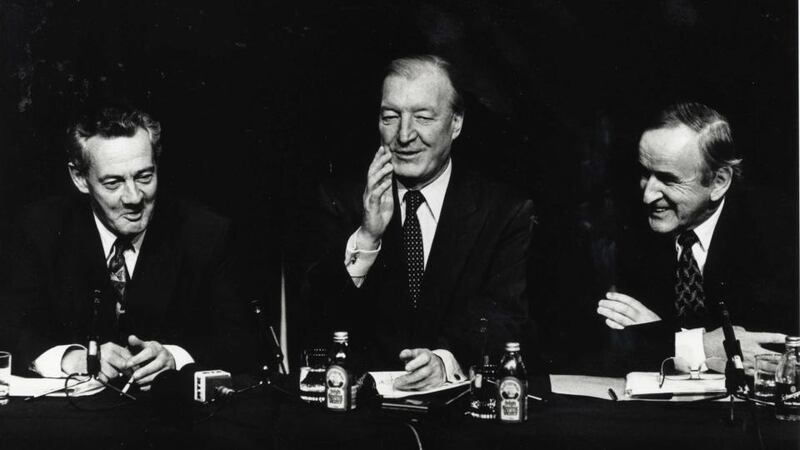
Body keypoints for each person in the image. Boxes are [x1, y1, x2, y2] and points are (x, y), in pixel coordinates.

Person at [306, 55, 535, 390]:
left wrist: (444, 360)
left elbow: (505, 317)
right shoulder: (339, 200)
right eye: (390, 117)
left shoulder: (504, 211)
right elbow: (317, 318)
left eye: (423, 117)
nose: (404, 135)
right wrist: (368, 236)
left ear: (456, 123)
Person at [4, 105, 257, 387]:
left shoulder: (208, 234)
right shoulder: (38, 229)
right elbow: (13, 327)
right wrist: (71, 359)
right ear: (79, 178)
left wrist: (174, 358)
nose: (134, 197)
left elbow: (241, 341)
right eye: (113, 183)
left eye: (144, 177)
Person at [596, 102, 797, 374]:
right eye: (646, 174)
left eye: (668, 179)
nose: (647, 195)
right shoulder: (629, 227)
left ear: (718, 182)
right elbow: (603, 347)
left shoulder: (781, 233)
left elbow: (772, 352)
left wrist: (661, 337)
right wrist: (696, 347)